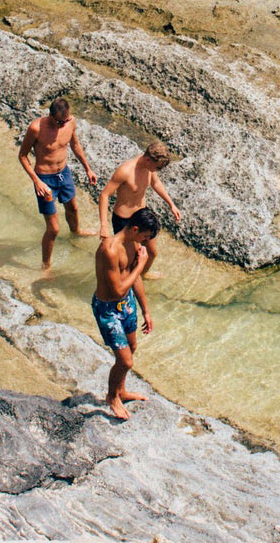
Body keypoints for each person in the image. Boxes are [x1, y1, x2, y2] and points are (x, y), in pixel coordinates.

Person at [18, 99, 100, 272]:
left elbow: (75, 145)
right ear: (50, 116)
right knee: (53, 229)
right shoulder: (36, 128)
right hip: (45, 179)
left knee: (73, 207)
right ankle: (45, 265)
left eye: (66, 120)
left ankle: (76, 231)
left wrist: (88, 169)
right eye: (59, 121)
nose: (63, 124)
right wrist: (36, 180)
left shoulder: (70, 123)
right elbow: (23, 156)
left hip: (63, 174)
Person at [92, 207, 159, 419]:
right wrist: (141, 265)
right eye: (146, 237)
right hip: (108, 309)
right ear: (135, 229)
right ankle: (112, 397)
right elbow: (117, 289)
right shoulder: (109, 250)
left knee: (132, 347)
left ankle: (121, 390)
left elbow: (133, 279)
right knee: (126, 361)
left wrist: (146, 310)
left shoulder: (134, 243)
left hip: (126, 304)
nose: (146, 242)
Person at [99, 141, 182, 280]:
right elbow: (104, 195)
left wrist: (171, 204)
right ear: (148, 159)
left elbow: (156, 183)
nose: (157, 171)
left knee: (151, 252)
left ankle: (142, 275)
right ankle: (127, 282)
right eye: (157, 168)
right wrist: (104, 226)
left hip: (142, 215)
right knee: (131, 258)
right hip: (125, 220)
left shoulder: (149, 168)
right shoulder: (125, 171)